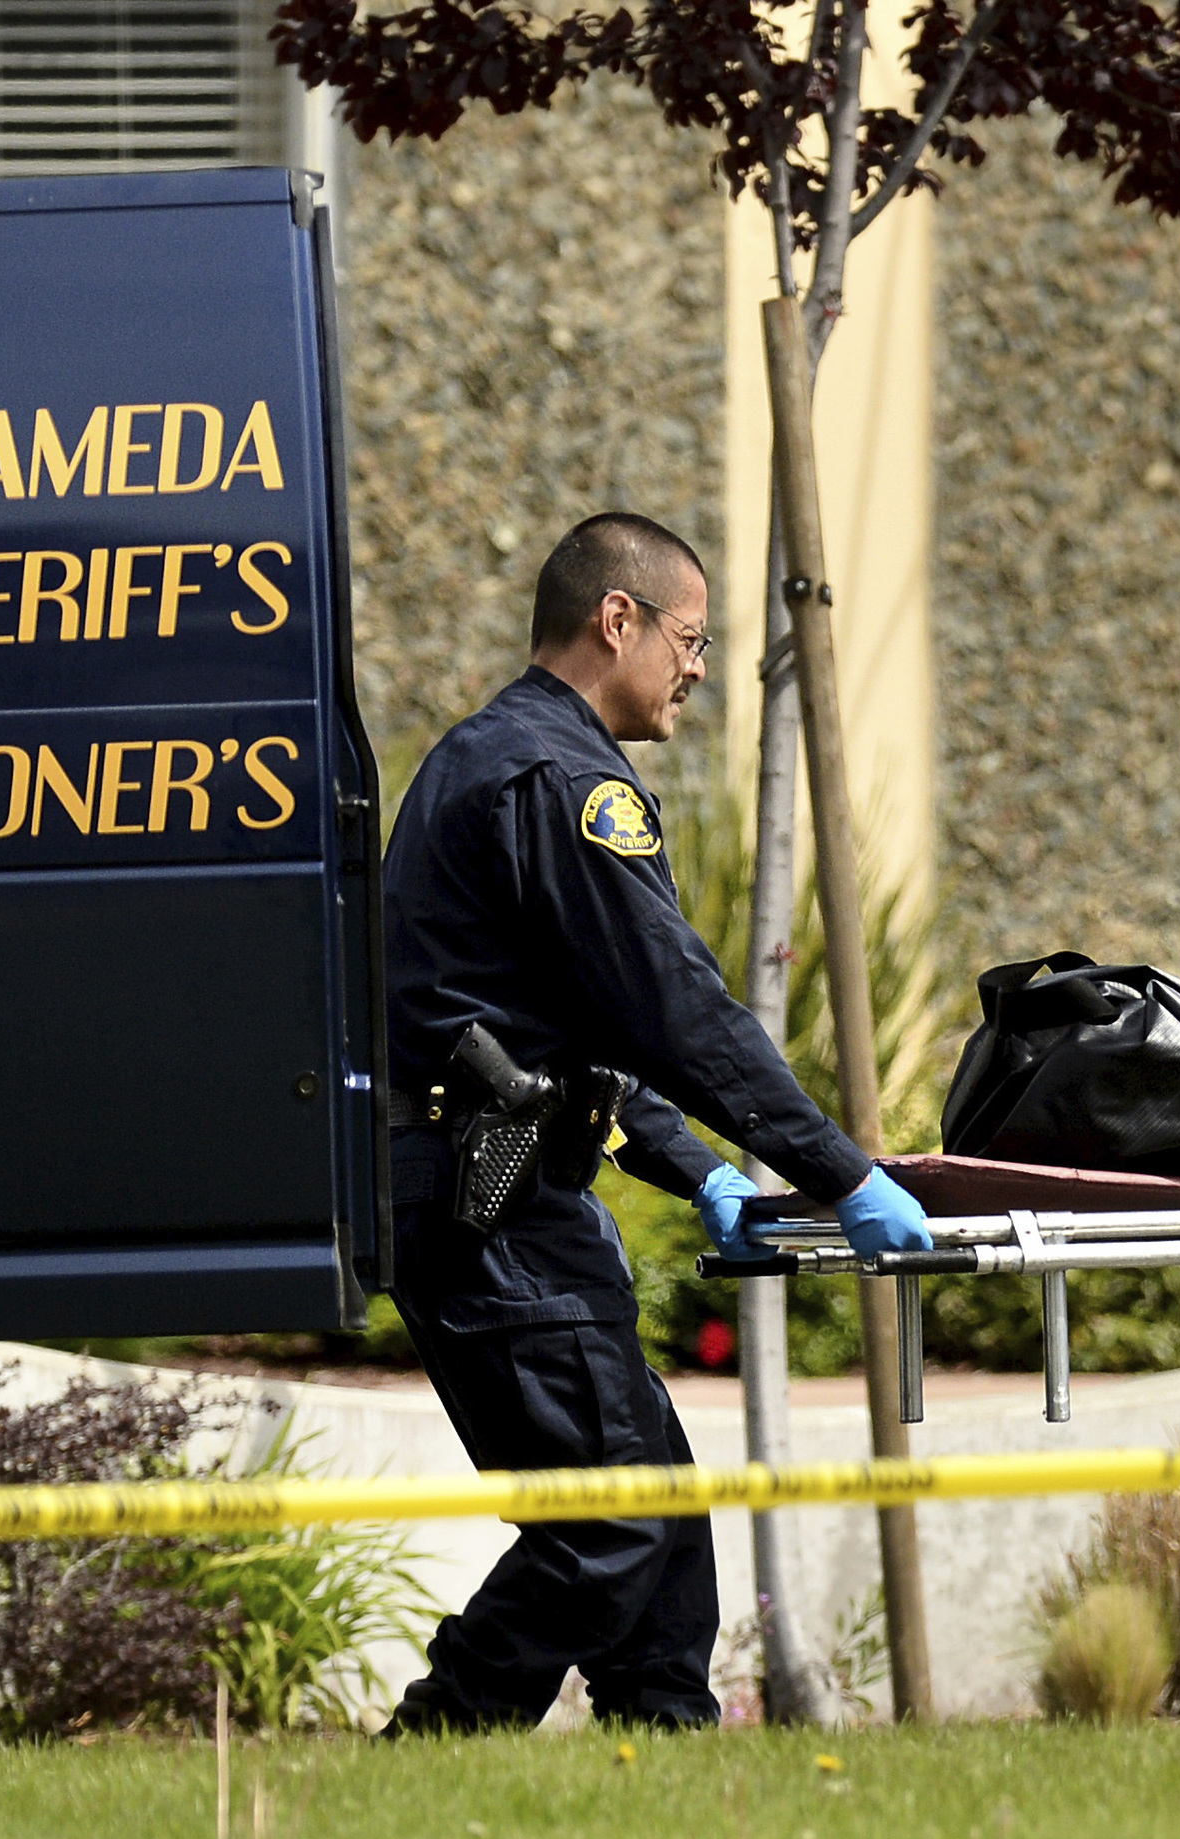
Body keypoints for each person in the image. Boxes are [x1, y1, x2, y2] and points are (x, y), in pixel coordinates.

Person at [378, 511, 931, 1733]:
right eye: (687, 637)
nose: (698, 667)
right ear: (612, 620)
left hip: (504, 1191)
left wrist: (703, 1176)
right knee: (616, 1521)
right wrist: (842, 1174)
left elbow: (564, 1031)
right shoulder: (561, 782)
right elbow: (672, 1007)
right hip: (495, 1214)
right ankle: (429, 1748)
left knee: (656, 1522)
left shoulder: (492, 757)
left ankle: (672, 1778)